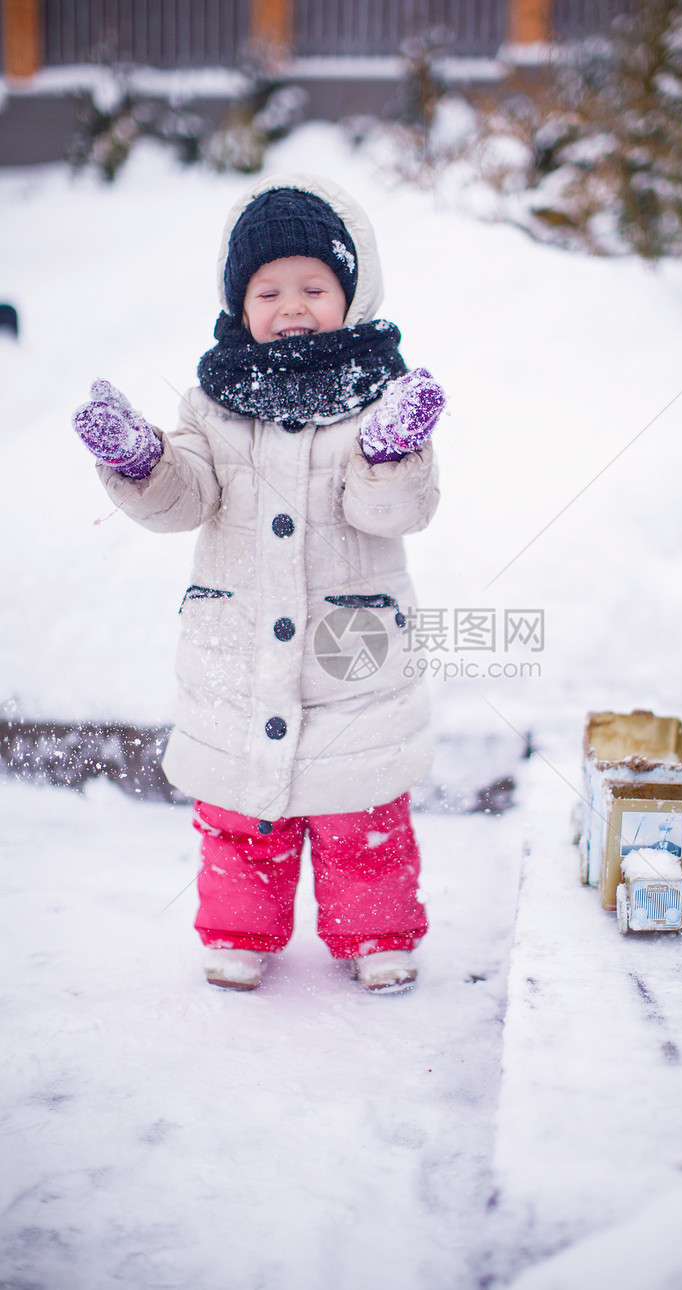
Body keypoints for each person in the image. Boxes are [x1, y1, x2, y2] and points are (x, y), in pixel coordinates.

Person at [72, 174, 445, 994]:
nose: (293, 305)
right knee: (243, 817)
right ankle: (240, 931)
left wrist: (390, 453)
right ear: (241, 304)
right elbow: (187, 497)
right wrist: (140, 461)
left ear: (353, 294)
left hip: (350, 656)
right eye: (269, 290)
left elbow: (393, 513)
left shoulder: (375, 397)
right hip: (236, 655)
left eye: (315, 287)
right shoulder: (212, 403)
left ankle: (376, 934)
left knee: (362, 815)